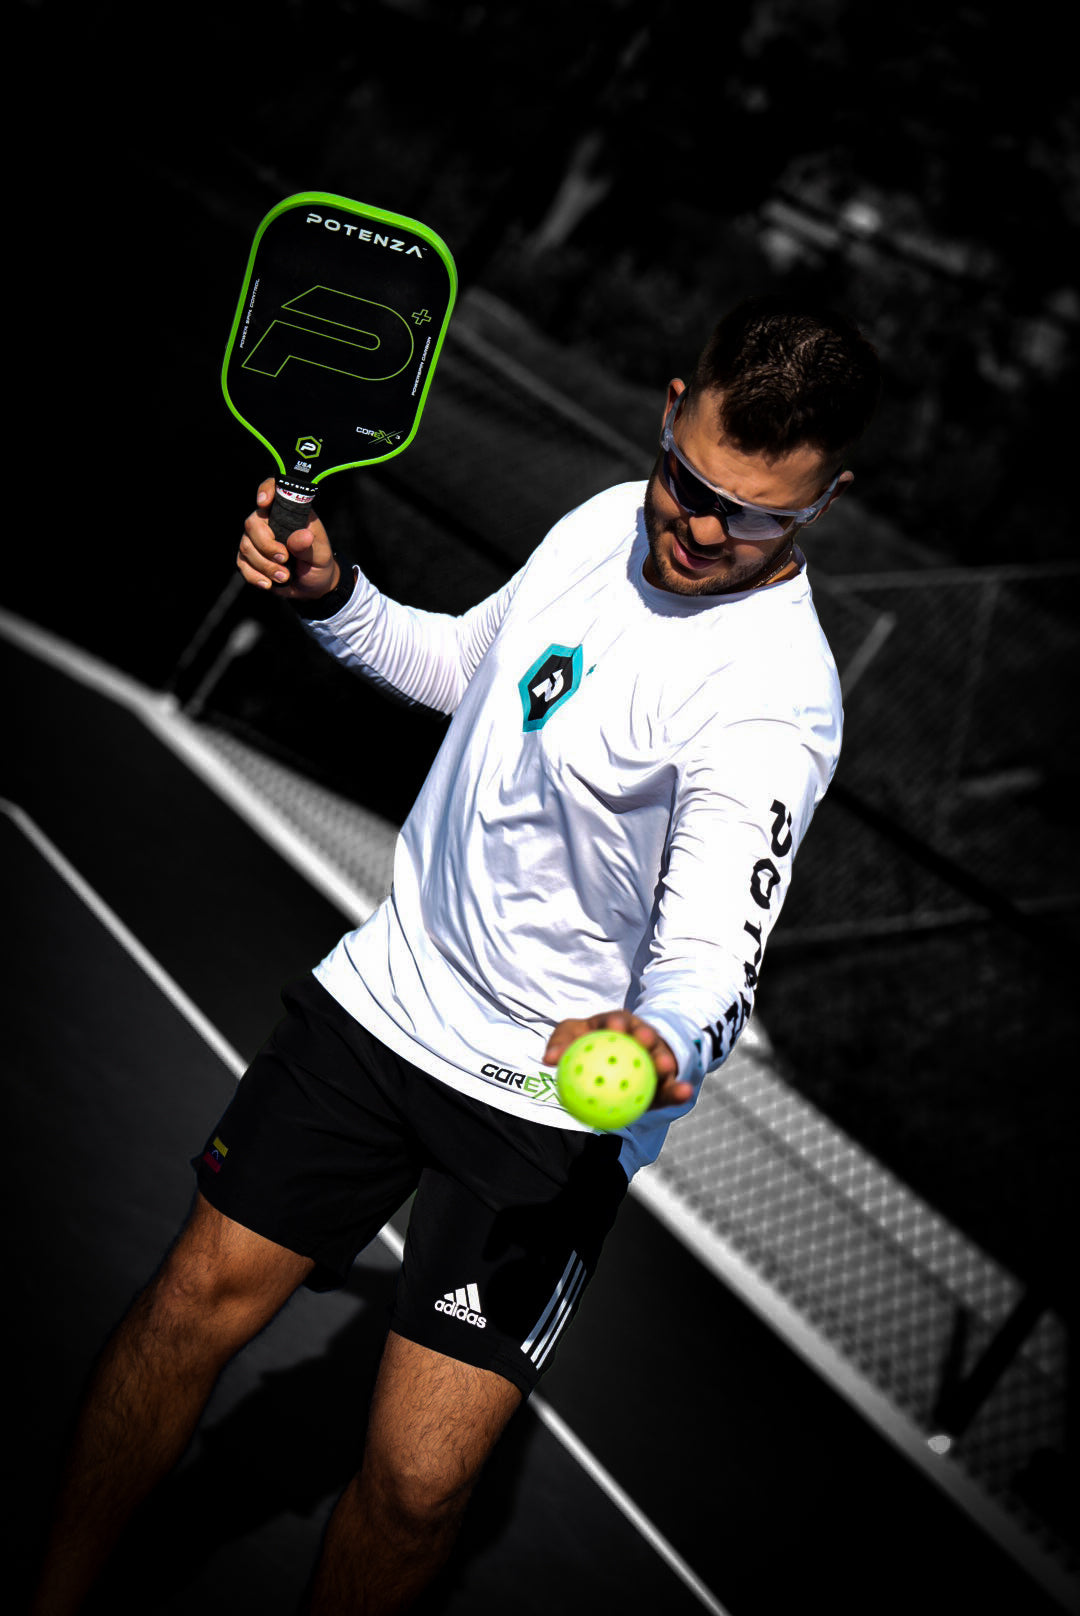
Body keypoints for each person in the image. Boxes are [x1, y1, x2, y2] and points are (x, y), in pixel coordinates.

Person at [32, 294, 880, 1614]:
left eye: (755, 515)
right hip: (388, 1002)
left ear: (825, 502)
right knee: (192, 1302)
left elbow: (718, 947)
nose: (699, 528)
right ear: (669, 411)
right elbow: (472, 670)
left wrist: (660, 1039)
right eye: (688, 480)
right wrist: (335, 599)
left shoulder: (774, 704)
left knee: (420, 1490)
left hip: (546, 1101)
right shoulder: (610, 519)